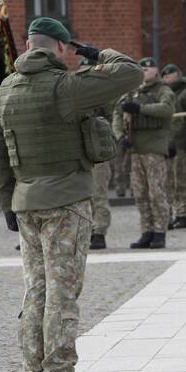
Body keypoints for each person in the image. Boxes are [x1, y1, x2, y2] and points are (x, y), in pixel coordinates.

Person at [0, 17, 141, 372]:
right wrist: (96, 52)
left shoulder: (5, 90)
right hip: (66, 202)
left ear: (27, 47)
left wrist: (6, 203)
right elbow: (131, 72)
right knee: (62, 289)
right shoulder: (67, 88)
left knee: (35, 289)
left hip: (25, 205)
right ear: (58, 47)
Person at [113, 57, 175, 249]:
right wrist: (120, 136)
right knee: (140, 193)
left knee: (156, 191)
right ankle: (146, 230)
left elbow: (166, 109)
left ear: (156, 71)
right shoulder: (132, 92)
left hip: (154, 149)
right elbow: (117, 113)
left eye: (148, 69)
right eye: (142, 69)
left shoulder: (163, 91)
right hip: (135, 149)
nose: (145, 72)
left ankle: (159, 231)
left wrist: (141, 108)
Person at [77, 56, 114, 249]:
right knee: (81, 194)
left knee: (98, 192)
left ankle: (99, 231)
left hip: (98, 150)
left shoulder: (103, 93)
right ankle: (86, 230)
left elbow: (110, 114)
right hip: (79, 151)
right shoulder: (73, 93)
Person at [162, 64, 186, 229]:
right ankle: (169, 214)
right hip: (167, 146)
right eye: (165, 76)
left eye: (170, 75)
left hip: (181, 146)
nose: (167, 78)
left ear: (177, 75)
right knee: (167, 182)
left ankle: (184, 214)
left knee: (181, 181)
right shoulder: (164, 94)